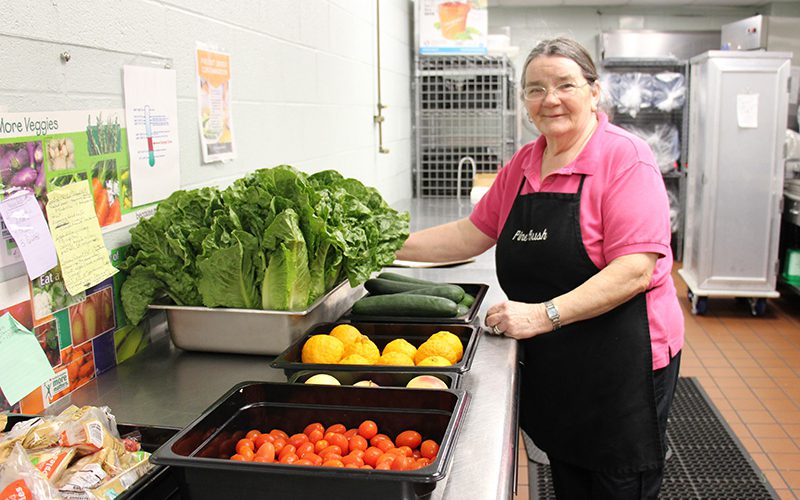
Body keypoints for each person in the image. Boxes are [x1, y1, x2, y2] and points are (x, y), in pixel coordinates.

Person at [397, 37, 684, 499]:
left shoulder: (624, 158)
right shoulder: (526, 164)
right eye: (535, 89)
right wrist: (390, 247)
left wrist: (541, 314)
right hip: (560, 356)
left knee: (618, 481)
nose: (549, 99)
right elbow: (473, 233)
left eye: (564, 84)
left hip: (623, 360)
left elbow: (634, 269)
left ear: (594, 91)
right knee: (569, 470)